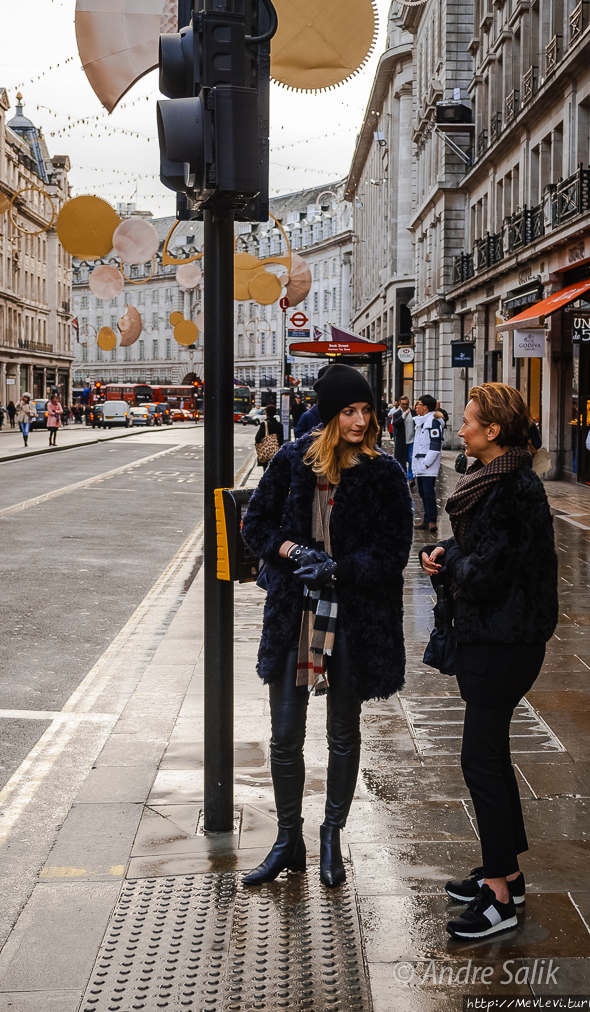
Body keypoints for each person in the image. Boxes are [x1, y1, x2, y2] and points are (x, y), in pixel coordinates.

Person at [241, 364, 413, 888]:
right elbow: (255, 525)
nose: (361, 420)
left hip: (353, 618)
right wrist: (294, 551)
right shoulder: (294, 461)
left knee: (343, 731)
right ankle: (287, 840)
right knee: (285, 736)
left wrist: (339, 568)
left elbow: (393, 553)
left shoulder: (384, 472)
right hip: (296, 613)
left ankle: (332, 835)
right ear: (330, 415)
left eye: (366, 410)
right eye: (350, 411)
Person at [421, 383, 558, 941]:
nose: (460, 428)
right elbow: (475, 548)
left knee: (479, 760)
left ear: (493, 431)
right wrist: (444, 553)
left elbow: (491, 570)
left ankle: (498, 896)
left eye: (469, 421)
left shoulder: (513, 489)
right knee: (492, 757)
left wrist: (453, 569)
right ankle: (509, 874)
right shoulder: (495, 480)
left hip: (504, 641)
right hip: (495, 638)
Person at [412, 394, 444, 533]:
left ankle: (432, 520)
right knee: (423, 493)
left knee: (429, 492)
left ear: (425, 407)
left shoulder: (433, 422)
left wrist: (426, 463)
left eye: (418, 404)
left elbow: (435, 444)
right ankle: (426, 519)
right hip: (420, 464)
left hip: (427, 465)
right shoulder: (421, 421)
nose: (416, 407)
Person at [391, 395, 415, 480]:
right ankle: (404, 478)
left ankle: (411, 478)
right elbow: (396, 424)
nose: (405, 406)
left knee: (411, 459)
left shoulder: (413, 412)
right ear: (400, 404)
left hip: (412, 441)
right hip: (402, 442)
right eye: (403, 404)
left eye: (407, 404)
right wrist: (404, 415)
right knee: (402, 461)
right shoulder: (397, 414)